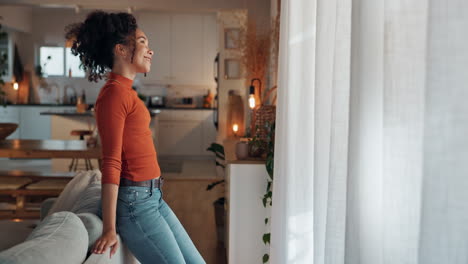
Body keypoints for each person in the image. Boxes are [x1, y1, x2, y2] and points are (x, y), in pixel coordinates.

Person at [65, 11, 205, 264]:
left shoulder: (125, 91)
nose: (150, 51)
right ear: (120, 49)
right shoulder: (113, 95)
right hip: (136, 206)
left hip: (153, 197)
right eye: (142, 43)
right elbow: (111, 161)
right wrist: (109, 228)